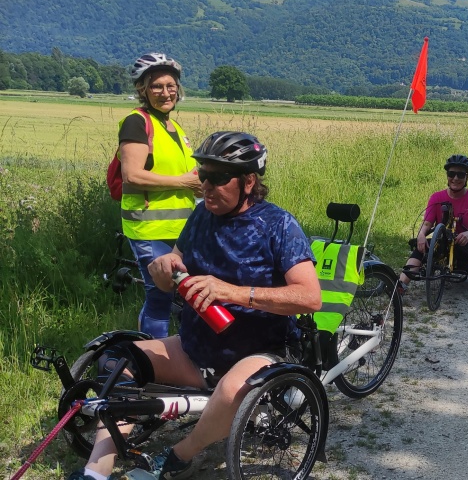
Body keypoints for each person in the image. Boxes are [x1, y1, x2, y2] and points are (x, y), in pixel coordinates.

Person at [68, 131, 322, 480]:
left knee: (234, 390)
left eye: (217, 178)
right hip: (195, 347)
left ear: (249, 181)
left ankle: (179, 456)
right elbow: (177, 263)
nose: (206, 186)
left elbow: (310, 297)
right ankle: (97, 470)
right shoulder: (202, 214)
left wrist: (231, 292)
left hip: (260, 350)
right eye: (203, 175)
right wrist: (163, 271)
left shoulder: (278, 224)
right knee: (117, 359)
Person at [119, 52, 202, 338]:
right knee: (160, 296)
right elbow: (132, 174)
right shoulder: (137, 122)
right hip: (148, 228)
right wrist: (182, 183)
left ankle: (177, 355)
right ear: (142, 90)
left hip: (179, 230)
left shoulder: (173, 127)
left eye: (171, 85)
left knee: (184, 293)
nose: (165, 92)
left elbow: (186, 176)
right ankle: (152, 365)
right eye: (157, 86)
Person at [398, 154, 468, 293]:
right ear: (447, 175)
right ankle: (401, 286)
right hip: (444, 242)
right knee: (420, 247)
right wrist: (421, 235)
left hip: (466, 244)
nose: (455, 178)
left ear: (467, 177)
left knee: (458, 244)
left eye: (460, 175)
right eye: (452, 174)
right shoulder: (436, 197)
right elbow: (427, 224)